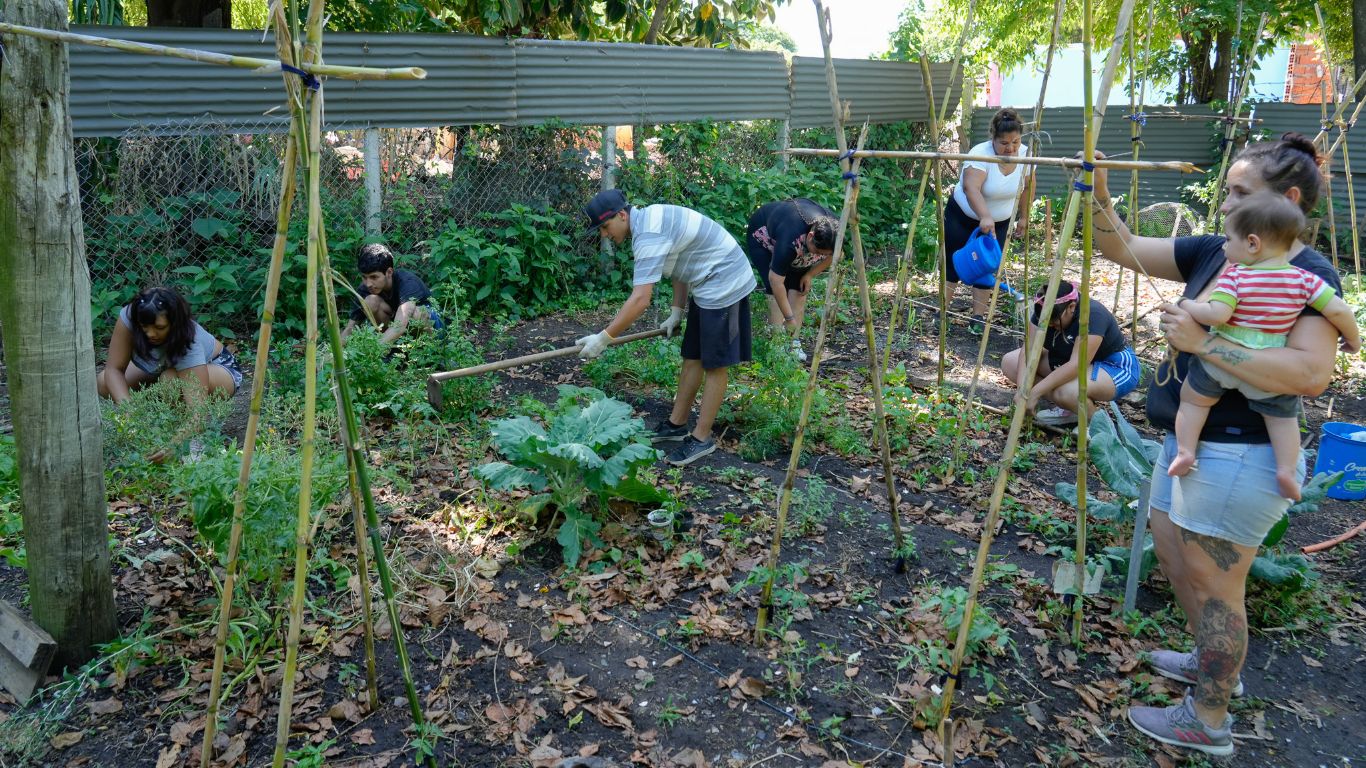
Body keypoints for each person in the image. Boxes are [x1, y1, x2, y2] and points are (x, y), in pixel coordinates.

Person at [1085, 133, 1344, 757]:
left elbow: (1310, 374)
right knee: (1176, 559)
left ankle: (1209, 717)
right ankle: (1211, 664)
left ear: (1283, 201)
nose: (1225, 205)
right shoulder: (1218, 253)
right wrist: (1095, 187)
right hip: (1190, 447)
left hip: (1242, 454)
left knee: (1216, 584)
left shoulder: (1303, 275)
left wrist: (1206, 346)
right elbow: (1115, 244)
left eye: (1239, 193)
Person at [1168, 193, 1360, 500]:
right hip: (1267, 364)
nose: (1223, 247)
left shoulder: (1236, 276)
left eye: (1229, 239)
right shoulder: (1305, 280)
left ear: (1253, 243)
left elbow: (1217, 313)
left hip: (1221, 359)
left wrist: (1188, 304)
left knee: (1193, 401)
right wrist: (1353, 339)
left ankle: (1185, 451)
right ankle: (1286, 469)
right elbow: (1339, 311)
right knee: (1282, 419)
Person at [578, 189, 756, 467]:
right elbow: (680, 264)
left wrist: (605, 338)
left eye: (605, 226)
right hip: (706, 280)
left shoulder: (648, 236)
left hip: (725, 280)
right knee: (692, 356)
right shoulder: (649, 220)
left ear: (622, 215)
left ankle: (702, 438)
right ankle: (677, 425)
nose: (604, 234)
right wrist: (677, 311)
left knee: (715, 364)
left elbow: (640, 300)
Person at [97, 286, 244, 460]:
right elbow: (113, 370)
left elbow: (198, 411)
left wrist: (175, 444)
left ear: (175, 322)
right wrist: (131, 414)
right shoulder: (131, 317)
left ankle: (192, 439)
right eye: (144, 327)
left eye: (159, 327)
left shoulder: (189, 343)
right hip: (163, 367)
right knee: (104, 382)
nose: (151, 333)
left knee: (170, 381)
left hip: (218, 368)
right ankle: (153, 424)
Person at [1000, 280, 1142, 426]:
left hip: (1113, 365)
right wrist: (1023, 390)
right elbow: (1028, 351)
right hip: (1069, 359)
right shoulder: (1044, 310)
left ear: (1071, 307)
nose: (1051, 326)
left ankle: (1098, 424)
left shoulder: (1093, 314)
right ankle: (1070, 408)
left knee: (1067, 392)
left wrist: (1035, 392)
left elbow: (1077, 365)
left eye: (1054, 322)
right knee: (1010, 362)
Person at [943, 107, 1032, 334]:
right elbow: (970, 188)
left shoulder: (1026, 155)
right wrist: (984, 216)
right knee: (954, 262)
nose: (1010, 148)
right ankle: (942, 314)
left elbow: (1027, 188)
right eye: (1004, 143)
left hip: (999, 222)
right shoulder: (980, 153)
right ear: (993, 138)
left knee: (987, 267)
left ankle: (978, 319)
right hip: (963, 217)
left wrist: (1023, 217)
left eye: (1015, 142)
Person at [745, 198, 838, 362]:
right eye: (817, 252)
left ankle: (793, 342)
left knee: (799, 287)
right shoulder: (791, 237)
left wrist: (809, 275)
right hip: (763, 236)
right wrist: (789, 318)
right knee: (773, 288)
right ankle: (778, 343)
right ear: (810, 237)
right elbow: (776, 281)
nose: (819, 256)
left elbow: (835, 256)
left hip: (796, 244)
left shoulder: (833, 232)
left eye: (823, 254)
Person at [341, 243, 442, 345]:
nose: (368, 284)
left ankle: (433, 351)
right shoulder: (365, 289)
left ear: (389, 272)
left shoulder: (407, 282)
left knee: (416, 313)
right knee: (369, 301)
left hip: (434, 330)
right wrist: (331, 356)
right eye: (364, 277)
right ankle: (393, 349)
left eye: (374, 277)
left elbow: (400, 326)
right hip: (398, 332)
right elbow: (350, 329)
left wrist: (373, 351)